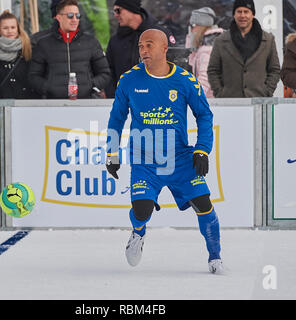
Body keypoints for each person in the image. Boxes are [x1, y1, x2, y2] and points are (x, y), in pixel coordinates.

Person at [105, 29, 223, 274]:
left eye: (149, 45)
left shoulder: (184, 80)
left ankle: (215, 258)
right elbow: (117, 118)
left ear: (164, 49)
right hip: (144, 159)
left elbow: (204, 115)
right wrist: (111, 152)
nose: (143, 50)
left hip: (179, 158)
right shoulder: (129, 79)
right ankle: (138, 233)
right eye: (140, 46)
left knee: (203, 204)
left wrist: (202, 150)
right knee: (142, 210)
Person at [28, 0, 111, 99]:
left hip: (85, 103)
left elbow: (105, 73)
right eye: (70, 15)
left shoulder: (91, 42)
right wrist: (48, 88)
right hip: (53, 105)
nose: (75, 19)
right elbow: (34, 76)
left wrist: (90, 86)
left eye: (78, 16)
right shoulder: (43, 44)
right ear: (58, 17)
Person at [207, 0, 280, 98]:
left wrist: (267, 92)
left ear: (253, 14)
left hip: (258, 101)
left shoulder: (268, 40)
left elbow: (274, 70)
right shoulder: (221, 41)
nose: (242, 15)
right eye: (239, 11)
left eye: (246, 12)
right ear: (234, 14)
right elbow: (213, 70)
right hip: (231, 102)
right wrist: (220, 93)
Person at [105, 0, 176, 98]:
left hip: (157, 99)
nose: (115, 15)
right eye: (114, 12)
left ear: (131, 9)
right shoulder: (115, 41)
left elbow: (174, 64)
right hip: (126, 101)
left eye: (118, 11)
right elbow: (108, 71)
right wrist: (114, 96)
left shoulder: (160, 34)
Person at [0, 10, 38, 99]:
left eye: (13, 27)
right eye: (5, 28)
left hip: (27, 106)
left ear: (18, 29)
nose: (10, 31)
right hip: (2, 108)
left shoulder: (29, 50)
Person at [185, 7, 224, 98]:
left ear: (200, 27)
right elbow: (192, 62)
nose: (191, 30)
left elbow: (205, 78)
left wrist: (193, 98)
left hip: (210, 100)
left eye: (193, 26)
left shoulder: (207, 49)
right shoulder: (206, 45)